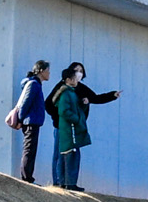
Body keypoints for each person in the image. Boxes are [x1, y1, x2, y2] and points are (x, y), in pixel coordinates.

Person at [46, 61, 120, 192]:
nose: (79, 73)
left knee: (72, 155)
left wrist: (112, 95)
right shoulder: (63, 88)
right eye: (76, 71)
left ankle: (69, 183)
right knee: (60, 154)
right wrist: (60, 119)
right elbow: (50, 105)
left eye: (81, 71)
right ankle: (58, 182)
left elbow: (95, 98)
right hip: (62, 127)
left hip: (74, 128)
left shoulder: (79, 88)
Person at [12, 59, 50, 185]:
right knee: (29, 150)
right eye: (47, 70)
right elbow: (25, 103)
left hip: (33, 122)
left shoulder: (36, 84)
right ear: (41, 71)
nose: (49, 73)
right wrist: (20, 120)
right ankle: (26, 178)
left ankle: (28, 177)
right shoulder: (34, 84)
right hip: (30, 122)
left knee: (31, 150)